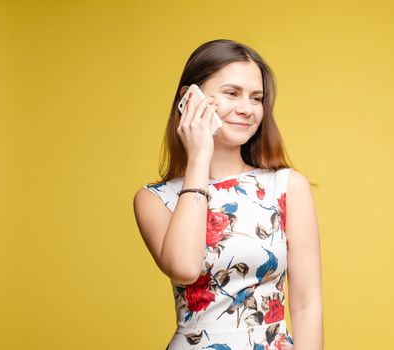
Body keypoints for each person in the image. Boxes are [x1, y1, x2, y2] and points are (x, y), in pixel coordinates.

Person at [133, 39, 323, 349]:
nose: (247, 109)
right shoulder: (154, 199)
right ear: (189, 98)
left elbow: (307, 305)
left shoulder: (286, 187)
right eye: (231, 93)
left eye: (256, 98)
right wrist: (198, 159)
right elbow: (184, 267)